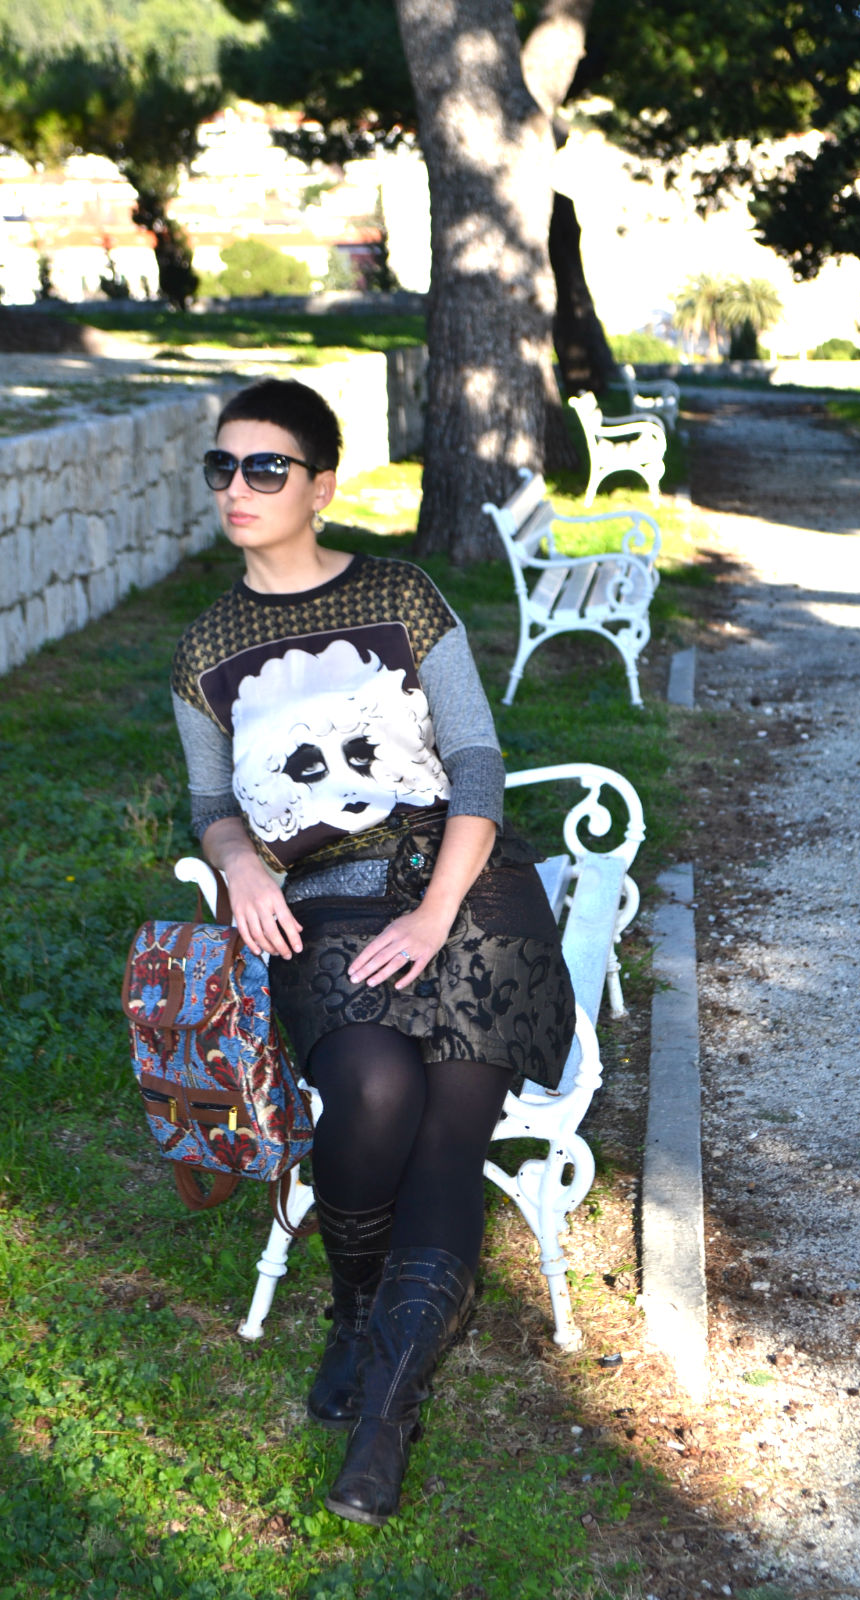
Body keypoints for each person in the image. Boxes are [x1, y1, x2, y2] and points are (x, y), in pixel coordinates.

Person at [171, 378, 575, 1525]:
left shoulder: (402, 596)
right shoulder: (204, 649)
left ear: (322, 486)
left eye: (266, 467)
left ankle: (386, 1413)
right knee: (376, 1085)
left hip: (468, 894)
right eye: (222, 466)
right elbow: (211, 802)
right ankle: (357, 1305)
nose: (238, 487)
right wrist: (243, 866)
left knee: (450, 1128)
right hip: (323, 907)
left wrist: (438, 912)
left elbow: (478, 764)